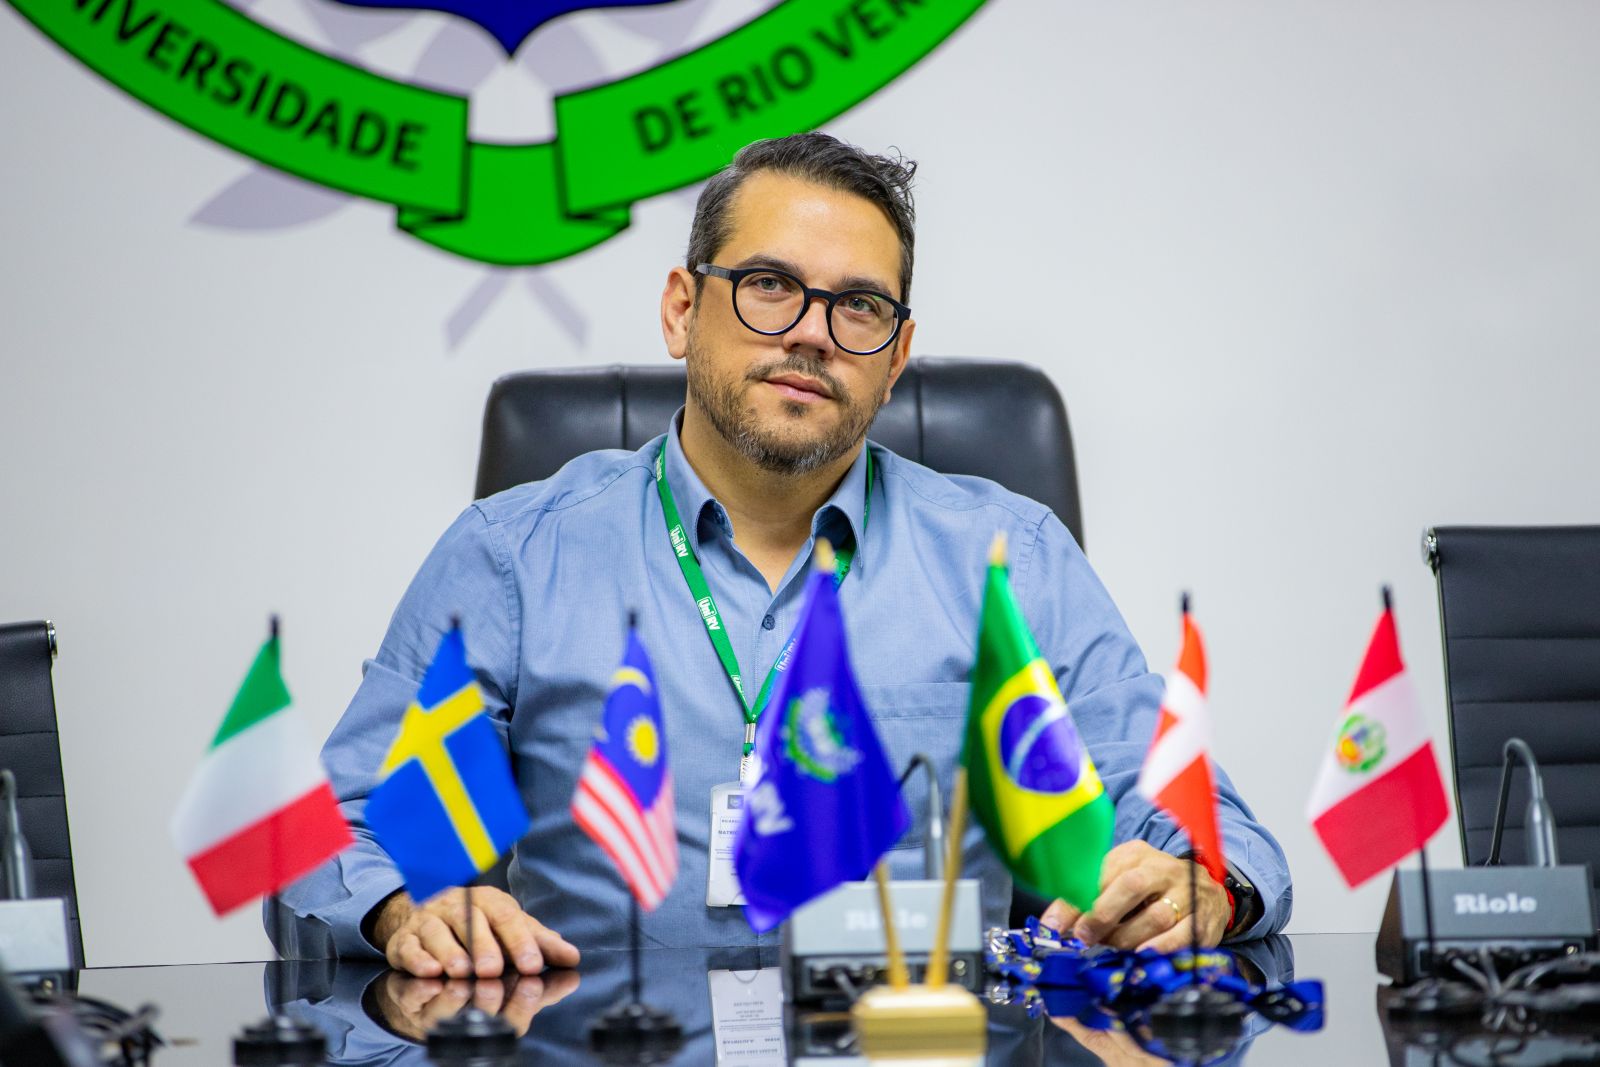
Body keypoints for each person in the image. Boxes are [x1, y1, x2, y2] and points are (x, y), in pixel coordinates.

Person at [278, 132, 1291, 980]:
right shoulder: (515, 557)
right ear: (682, 309)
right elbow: (336, 828)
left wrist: (1200, 883)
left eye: (860, 307)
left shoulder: (1009, 561)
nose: (812, 334)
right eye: (769, 285)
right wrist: (408, 906)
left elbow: (1191, 818)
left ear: (895, 359)